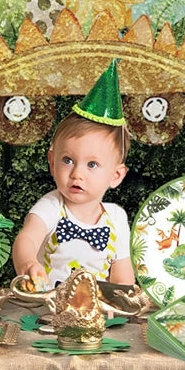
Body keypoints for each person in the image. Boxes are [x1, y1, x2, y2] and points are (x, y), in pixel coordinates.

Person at [12, 60, 135, 288]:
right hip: (48, 303)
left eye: (92, 164)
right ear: (52, 162)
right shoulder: (51, 207)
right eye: (68, 160)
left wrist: (123, 297)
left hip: (95, 306)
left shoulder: (117, 218)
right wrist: (28, 263)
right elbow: (27, 238)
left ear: (116, 176)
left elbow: (122, 276)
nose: (77, 173)